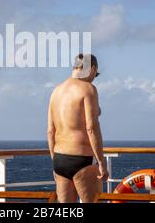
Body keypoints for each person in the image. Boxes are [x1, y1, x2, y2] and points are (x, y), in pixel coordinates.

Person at [47, 54, 109, 203]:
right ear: (92, 69)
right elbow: (91, 129)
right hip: (82, 159)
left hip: (59, 159)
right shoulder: (88, 89)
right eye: (96, 74)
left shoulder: (56, 91)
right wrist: (101, 162)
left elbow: (50, 131)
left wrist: (55, 161)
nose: (94, 78)